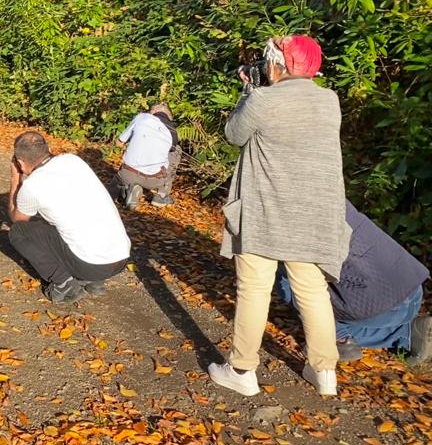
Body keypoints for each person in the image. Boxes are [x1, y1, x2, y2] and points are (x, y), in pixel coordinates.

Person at [208, 35, 352, 398]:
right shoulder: (329, 101)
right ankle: (325, 371)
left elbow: (234, 134)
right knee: (313, 292)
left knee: (254, 288)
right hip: (315, 214)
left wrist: (249, 91)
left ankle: (242, 370)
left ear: (277, 66)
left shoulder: (263, 99)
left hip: (266, 211)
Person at [277, 201, 431, 363]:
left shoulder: (286, 210)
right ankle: (407, 332)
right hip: (412, 287)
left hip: (381, 305)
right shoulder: (330, 191)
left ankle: (339, 338)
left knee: (285, 274)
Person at [5, 131, 131, 304]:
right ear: (48, 149)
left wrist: (15, 179)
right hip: (121, 257)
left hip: (91, 265)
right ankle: (93, 280)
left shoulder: (32, 186)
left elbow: (18, 219)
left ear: (20, 163)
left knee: (18, 232)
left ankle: (63, 283)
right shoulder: (73, 160)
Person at [115, 103, 181, 208]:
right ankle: (161, 195)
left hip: (128, 174)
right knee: (176, 150)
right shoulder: (172, 131)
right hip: (155, 180)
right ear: (169, 117)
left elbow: (119, 143)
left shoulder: (141, 118)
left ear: (153, 111)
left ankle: (131, 188)